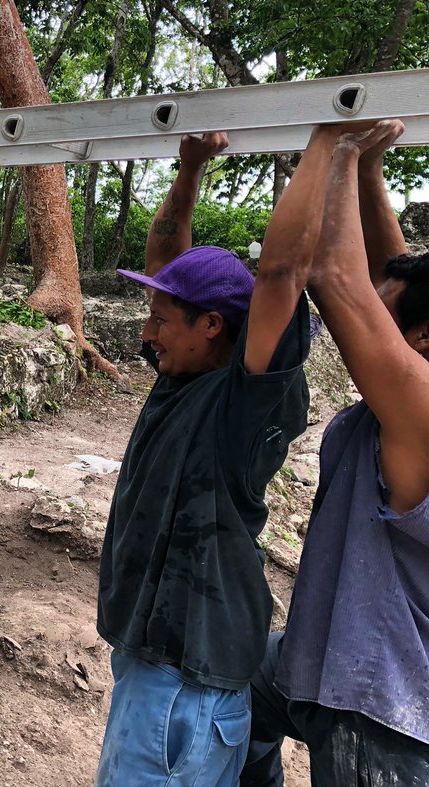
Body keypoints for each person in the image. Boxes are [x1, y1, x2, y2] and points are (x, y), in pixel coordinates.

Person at [93, 125, 360, 786]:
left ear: (213, 324)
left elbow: (279, 274)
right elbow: (164, 254)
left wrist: (326, 136)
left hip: (185, 678)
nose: (147, 332)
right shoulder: (179, 375)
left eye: (161, 317)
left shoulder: (244, 405)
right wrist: (188, 169)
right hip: (160, 665)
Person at [240, 119, 429, 786]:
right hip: (326, 663)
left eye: (383, 316)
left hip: (379, 716)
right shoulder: (410, 395)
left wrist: (338, 145)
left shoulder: (423, 409)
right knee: (231, 677)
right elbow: (389, 275)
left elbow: (334, 272)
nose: (367, 323)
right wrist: (372, 169)